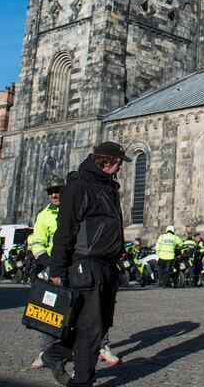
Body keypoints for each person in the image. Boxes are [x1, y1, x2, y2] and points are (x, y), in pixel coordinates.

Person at [43, 141, 128, 387]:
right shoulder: (79, 185)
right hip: (85, 264)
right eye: (119, 161)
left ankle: (55, 355)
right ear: (105, 160)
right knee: (90, 327)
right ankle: (83, 382)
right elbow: (65, 230)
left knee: (95, 324)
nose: (121, 165)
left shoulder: (108, 186)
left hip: (106, 266)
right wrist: (57, 269)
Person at [29, 174, 64, 370]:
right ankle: (45, 352)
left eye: (58, 190)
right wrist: (48, 265)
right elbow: (36, 241)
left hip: (71, 267)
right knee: (48, 313)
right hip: (52, 269)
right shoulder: (43, 215)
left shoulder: (73, 211)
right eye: (51, 192)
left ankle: (99, 346)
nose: (55, 195)